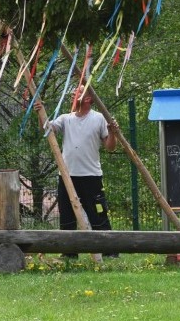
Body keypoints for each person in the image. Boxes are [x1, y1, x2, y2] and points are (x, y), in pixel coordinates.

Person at [36, 85, 119, 257]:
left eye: (79, 91)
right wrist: (40, 113)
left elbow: (110, 147)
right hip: (67, 177)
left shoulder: (99, 118)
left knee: (97, 214)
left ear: (88, 99)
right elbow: (47, 129)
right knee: (67, 215)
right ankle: (69, 253)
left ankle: (109, 251)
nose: (74, 93)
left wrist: (113, 133)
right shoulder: (66, 118)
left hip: (91, 176)